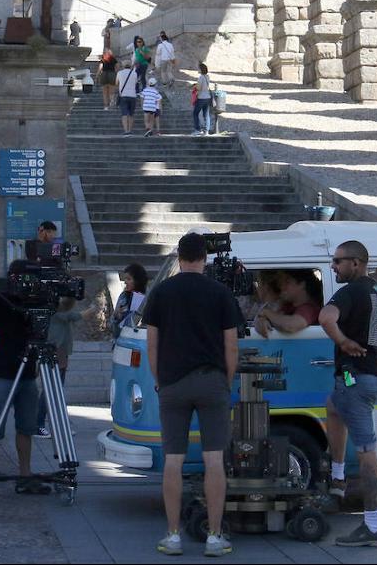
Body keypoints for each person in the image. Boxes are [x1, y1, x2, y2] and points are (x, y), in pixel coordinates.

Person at [142, 232, 241, 558]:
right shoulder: (221, 292)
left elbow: (152, 344)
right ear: (205, 258)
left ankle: (172, 536)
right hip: (211, 380)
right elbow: (231, 346)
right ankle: (214, 536)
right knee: (214, 460)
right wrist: (224, 382)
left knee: (173, 460)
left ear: (180, 256)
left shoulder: (161, 292)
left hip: (173, 382)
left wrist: (160, 380)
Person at [319, 240, 377, 548]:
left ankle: (373, 526)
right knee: (333, 406)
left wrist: (343, 341)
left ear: (357, 263)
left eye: (338, 261)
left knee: (367, 450)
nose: (333, 266)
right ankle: (337, 480)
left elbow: (325, 318)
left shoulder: (350, 291)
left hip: (357, 380)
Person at [0, 262, 53, 495]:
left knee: (26, 427)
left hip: (27, 372)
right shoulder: (0, 298)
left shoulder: (35, 299)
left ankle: (25, 475)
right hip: (4, 371)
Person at [35, 297, 101, 437]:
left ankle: (54, 425)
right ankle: (42, 424)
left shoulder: (54, 308)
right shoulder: (56, 309)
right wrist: (93, 308)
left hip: (59, 352)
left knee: (53, 391)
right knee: (52, 391)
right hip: (56, 352)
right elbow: (77, 315)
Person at [255, 269, 324, 338]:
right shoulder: (288, 305)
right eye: (281, 282)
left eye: (287, 282)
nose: (282, 286)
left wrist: (267, 313)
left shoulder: (310, 308)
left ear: (302, 284)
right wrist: (262, 319)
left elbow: (291, 326)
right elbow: (274, 318)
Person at [111, 263, 148, 336]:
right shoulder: (123, 296)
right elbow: (114, 323)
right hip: (122, 337)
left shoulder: (148, 297)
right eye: (125, 279)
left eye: (129, 279)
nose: (125, 282)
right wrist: (116, 316)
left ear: (137, 281)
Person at [116, 58, 139, 137]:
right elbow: (136, 83)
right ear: (130, 65)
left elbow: (116, 83)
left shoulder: (119, 73)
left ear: (123, 65)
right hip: (132, 95)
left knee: (124, 114)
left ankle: (126, 131)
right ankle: (130, 130)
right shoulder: (134, 73)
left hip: (123, 95)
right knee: (131, 114)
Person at [192, 63, 214, 137]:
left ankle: (197, 130)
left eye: (198, 68)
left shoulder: (201, 77)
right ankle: (206, 131)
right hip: (208, 97)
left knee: (195, 113)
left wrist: (195, 86)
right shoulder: (207, 77)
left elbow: (199, 88)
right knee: (206, 114)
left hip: (201, 98)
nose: (198, 69)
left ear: (201, 69)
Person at [97, 45, 119, 110]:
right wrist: (116, 73)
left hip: (104, 74)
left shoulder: (103, 58)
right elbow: (117, 66)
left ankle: (106, 106)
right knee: (111, 91)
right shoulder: (113, 58)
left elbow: (100, 67)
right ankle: (111, 104)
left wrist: (97, 75)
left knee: (104, 92)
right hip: (112, 74)